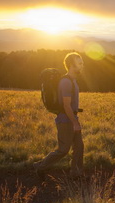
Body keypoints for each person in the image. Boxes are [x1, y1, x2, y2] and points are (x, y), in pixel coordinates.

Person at [34, 52, 84, 180]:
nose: (82, 65)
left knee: (79, 147)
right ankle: (40, 167)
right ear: (71, 65)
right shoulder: (66, 82)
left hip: (72, 118)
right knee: (63, 150)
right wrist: (75, 123)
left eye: (82, 62)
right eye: (79, 63)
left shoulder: (73, 80)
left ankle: (76, 174)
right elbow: (66, 106)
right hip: (65, 120)